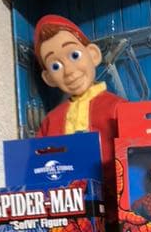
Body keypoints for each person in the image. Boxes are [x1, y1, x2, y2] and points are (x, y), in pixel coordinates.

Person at [33, 14, 125, 216]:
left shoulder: (117, 108)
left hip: (113, 210)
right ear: (48, 77)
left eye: (74, 55)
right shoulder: (51, 120)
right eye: (55, 66)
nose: (69, 71)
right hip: (67, 211)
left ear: (93, 54)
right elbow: (36, 167)